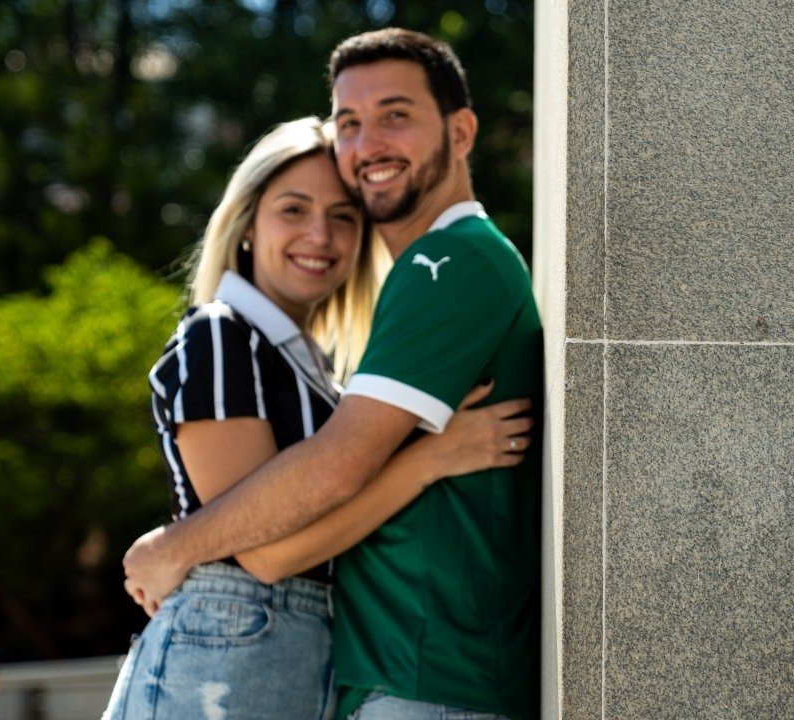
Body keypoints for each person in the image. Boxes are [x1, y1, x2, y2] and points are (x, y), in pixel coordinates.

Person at [122, 28, 543, 720]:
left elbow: (338, 472)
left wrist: (176, 546)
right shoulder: (220, 333)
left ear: (462, 132)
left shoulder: (438, 270)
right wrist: (430, 459)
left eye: (395, 115)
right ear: (247, 222)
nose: (320, 235)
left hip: (383, 664)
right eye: (350, 122)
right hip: (238, 654)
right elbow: (267, 550)